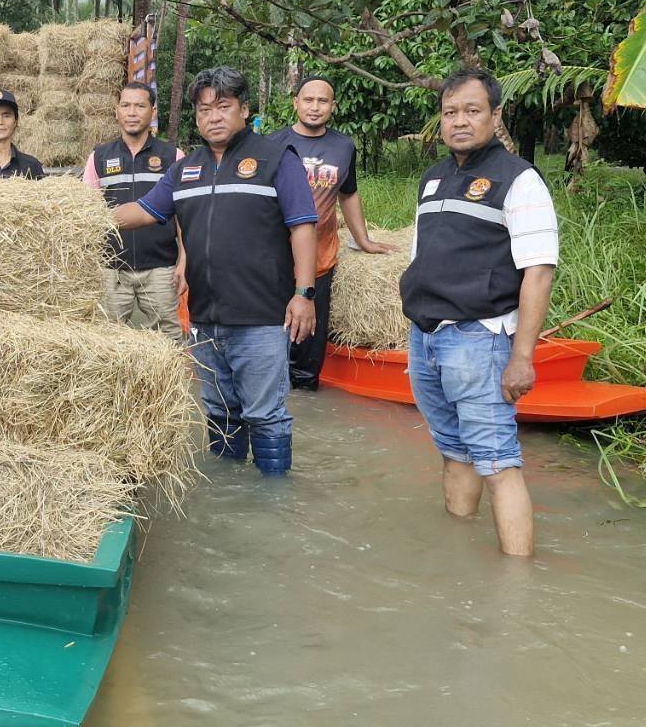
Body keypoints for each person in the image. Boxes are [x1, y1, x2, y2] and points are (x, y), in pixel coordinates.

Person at [112, 67, 319, 476]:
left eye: (223, 106)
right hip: (206, 319)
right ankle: (228, 492)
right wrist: (82, 216)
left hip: (261, 318)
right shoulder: (185, 169)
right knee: (220, 412)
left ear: (245, 109)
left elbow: (303, 225)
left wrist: (304, 294)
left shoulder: (276, 158)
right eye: (205, 109)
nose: (213, 116)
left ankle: (272, 501)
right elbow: (144, 211)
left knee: (265, 414)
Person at [398, 68, 558, 556]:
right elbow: (423, 256)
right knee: (453, 451)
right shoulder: (434, 178)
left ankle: (516, 590)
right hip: (426, 339)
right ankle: (458, 556)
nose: (459, 122)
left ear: (495, 115)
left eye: (472, 110)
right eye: (450, 112)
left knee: (497, 461)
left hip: (480, 340)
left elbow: (539, 271)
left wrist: (522, 357)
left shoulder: (519, 179)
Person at [269, 76, 395, 390]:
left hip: (319, 261)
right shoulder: (271, 144)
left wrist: (363, 240)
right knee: (270, 342)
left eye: (322, 101)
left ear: (333, 107)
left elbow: (348, 194)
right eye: (308, 100)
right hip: (273, 259)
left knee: (308, 346)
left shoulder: (343, 146)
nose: (315, 107)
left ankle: (305, 410)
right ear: (295, 102)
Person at [82, 83, 185, 339]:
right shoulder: (98, 157)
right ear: (116, 111)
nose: (132, 112)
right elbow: (86, 214)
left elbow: (185, 216)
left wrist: (184, 261)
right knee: (105, 340)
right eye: (125, 105)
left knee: (167, 339)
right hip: (112, 270)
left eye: (140, 106)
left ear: (152, 111)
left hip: (161, 269)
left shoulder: (173, 156)